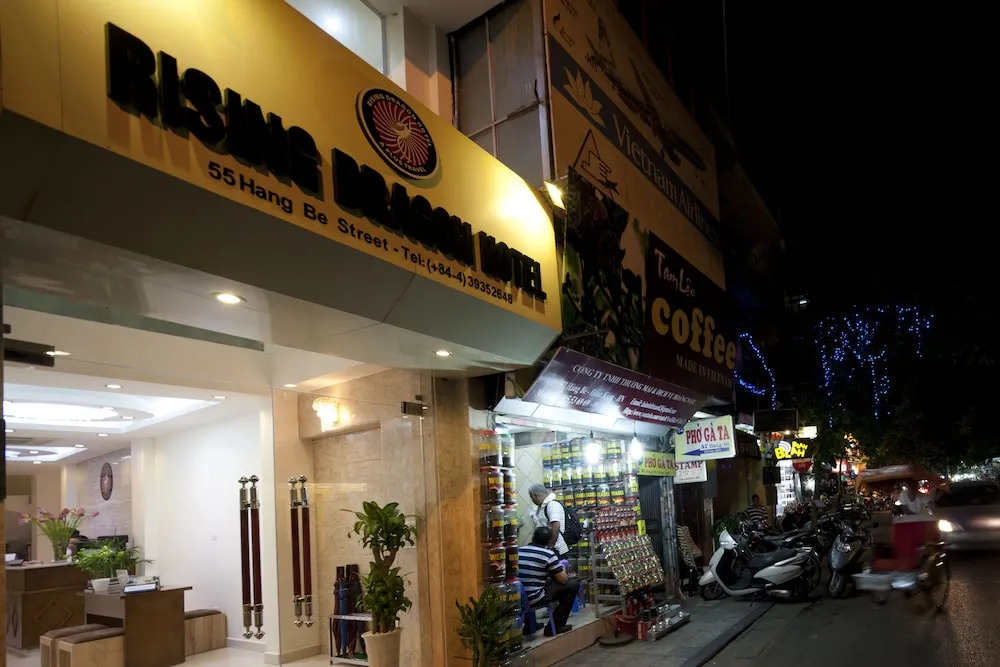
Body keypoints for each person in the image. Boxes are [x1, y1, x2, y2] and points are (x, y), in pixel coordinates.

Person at [518, 527, 579, 636]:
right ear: (550, 541)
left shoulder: (519, 551)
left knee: (534, 584)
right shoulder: (547, 554)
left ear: (533, 537)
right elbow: (563, 579)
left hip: (518, 597)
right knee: (573, 585)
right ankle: (555, 627)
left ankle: (530, 626)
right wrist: (562, 568)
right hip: (534, 598)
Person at [528, 483, 569, 558]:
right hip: (547, 548)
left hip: (556, 549)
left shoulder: (552, 505)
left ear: (535, 496)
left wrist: (551, 546)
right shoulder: (543, 506)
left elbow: (556, 526)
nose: (532, 500)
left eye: (532, 497)